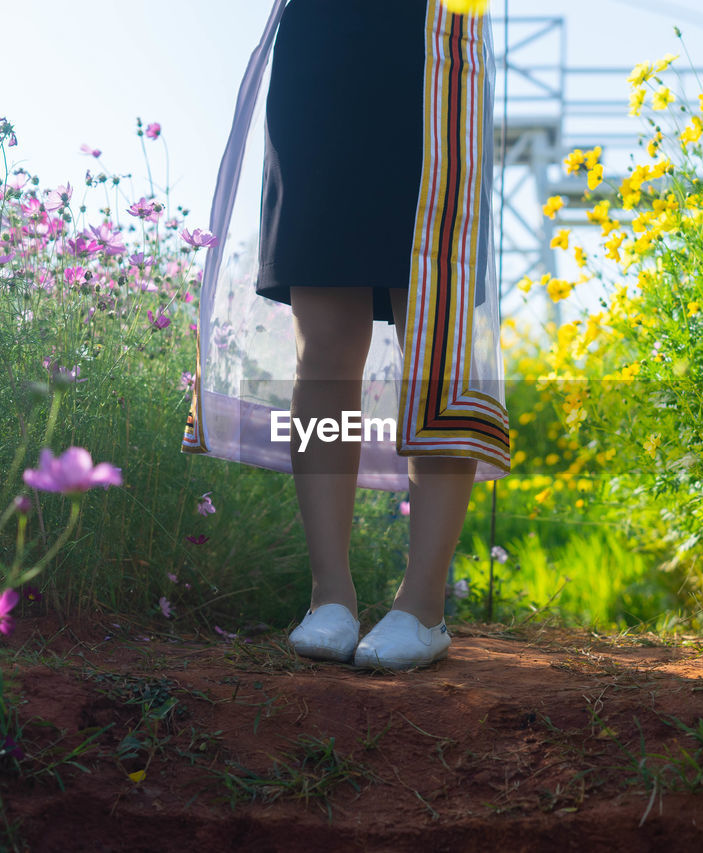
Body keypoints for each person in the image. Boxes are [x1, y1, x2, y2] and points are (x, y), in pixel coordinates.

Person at [184, 0, 510, 670]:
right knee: (324, 338)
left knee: (435, 339)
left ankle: (423, 605)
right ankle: (328, 594)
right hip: (323, 49)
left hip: (432, 48)